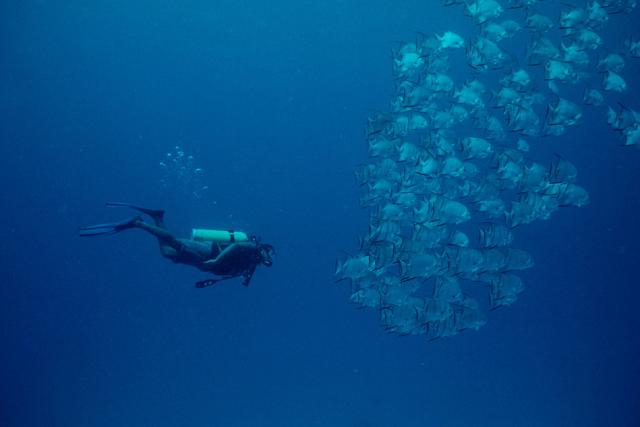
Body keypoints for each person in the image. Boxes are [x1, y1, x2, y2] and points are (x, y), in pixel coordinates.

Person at [79, 202, 274, 288]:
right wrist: (216, 259)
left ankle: (157, 217)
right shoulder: (251, 247)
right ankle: (138, 223)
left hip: (206, 264)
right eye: (268, 254)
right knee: (175, 242)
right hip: (209, 254)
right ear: (264, 248)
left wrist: (245, 279)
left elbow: (243, 272)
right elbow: (235, 248)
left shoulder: (253, 262)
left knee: (167, 252)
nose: (267, 259)